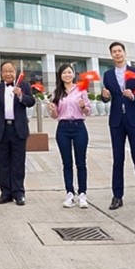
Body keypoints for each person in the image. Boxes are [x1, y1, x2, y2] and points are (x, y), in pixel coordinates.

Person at [100, 41, 135, 211]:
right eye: (114, 51)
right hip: (116, 121)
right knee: (118, 159)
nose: (117, 54)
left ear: (124, 53)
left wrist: (134, 96)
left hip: (134, 120)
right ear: (111, 55)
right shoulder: (108, 74)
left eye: (119, 51)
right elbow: (106, 97)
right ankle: (117, 196)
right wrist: (105, 96)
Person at [0, 60, 35, 206]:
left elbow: (31, 101)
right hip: (3, 130)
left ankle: (19, 192)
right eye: (5, 71)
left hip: (18, 129)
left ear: (15, 72)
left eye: (10, 71)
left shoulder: (24, 86)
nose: (8, 73)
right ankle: (5, 192)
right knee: (3, 163)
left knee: (18, 162)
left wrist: (21, 95)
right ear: (1, 73)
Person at [47, 63, 91, 208]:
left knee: (81, 162)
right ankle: (70, 193)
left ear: (73, 74)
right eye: (64, 73)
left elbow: (88, 111)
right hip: (63, 128)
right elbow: (55, 116)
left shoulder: (81, 90)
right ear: (60, 76)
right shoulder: (57, 93)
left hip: (79, 127)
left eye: (69, 72)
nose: (67, 75)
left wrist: (83, 106)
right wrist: (52, 109)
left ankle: (82, 194)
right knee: (67, 163)